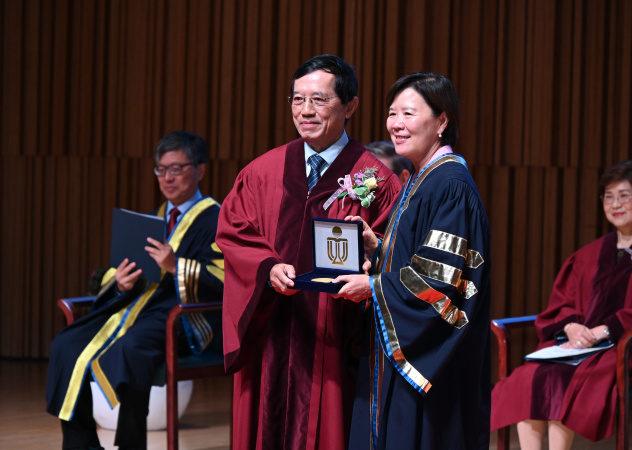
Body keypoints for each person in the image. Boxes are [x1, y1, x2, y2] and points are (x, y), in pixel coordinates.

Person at [216, 54, 401, 450]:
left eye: (318, 100)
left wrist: (370, 269)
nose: (305, 111)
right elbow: (233, 231)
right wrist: (266, 267)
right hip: (271, 328)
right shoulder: (262, 172)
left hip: (336, 336)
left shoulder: (375, 178)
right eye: (297, 100)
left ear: (349, 105)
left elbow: (395, 246)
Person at [335, 72, 492, 449]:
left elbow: (441, 278)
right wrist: (380, 247)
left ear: (442, 121)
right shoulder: (423, 177)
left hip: (431, 361)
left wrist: (373, 286)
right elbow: (421, 257)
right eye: (392, 113)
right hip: (398, 350)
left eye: (408, 113)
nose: (396, 124)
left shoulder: (450, 185)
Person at [46, 131, 224, 450]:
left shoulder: (218, 219)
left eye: (176, 168)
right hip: (140, 309)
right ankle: (81, 442)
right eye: (160, 169)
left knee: (131, 349)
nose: (166, 178)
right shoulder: (154, 219)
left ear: (200, 169)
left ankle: (131, 445)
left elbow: (224, 279)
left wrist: (176, 266)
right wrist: (122, 280)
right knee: (65, 344)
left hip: (181, 317)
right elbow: (122, 269)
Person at [491, 160, 632, 449]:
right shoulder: (589, 254)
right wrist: (572, 326)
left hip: (629, 346)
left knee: (567, 378)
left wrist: (606, 330)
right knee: (527, 377)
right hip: (580, 345)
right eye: (608, 196)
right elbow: (563, 303)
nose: (615, 203)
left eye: (624, 195)